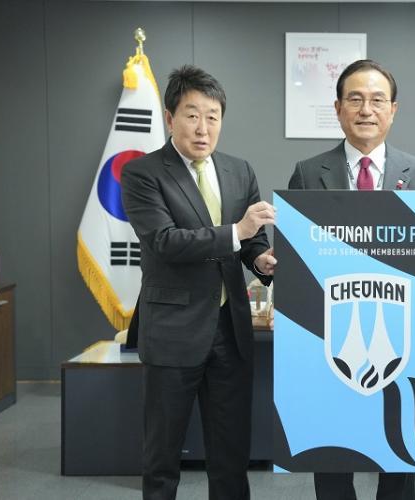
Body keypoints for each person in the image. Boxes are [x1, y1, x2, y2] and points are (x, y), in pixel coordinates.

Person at [121, 65, 277, 500]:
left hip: (230, 329)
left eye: (212, 116)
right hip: (173, 331)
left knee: (231, 454)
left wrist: (262, 260)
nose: (203, 128)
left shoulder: (239, 170)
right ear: (170, 118)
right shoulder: (142, 173)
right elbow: (165, 241)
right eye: (192, 115)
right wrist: (238, 232)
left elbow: (251, 242)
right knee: (162, 456)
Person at [288, 59, 415, 500]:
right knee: (332, 447)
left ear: (393, 110)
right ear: (338, 108)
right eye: (354, 99)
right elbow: (297, 257)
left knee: (400, 442)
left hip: (401, 326)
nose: (366, 109)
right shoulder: (308, 172)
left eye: (377, 100)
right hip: (329, 329)